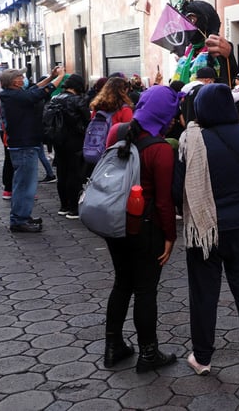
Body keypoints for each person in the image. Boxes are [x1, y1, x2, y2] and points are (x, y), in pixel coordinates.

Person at [174, 83, 239, 375]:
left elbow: (176, 189)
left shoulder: (191, 140)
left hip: (203, 230)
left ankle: (203, 358)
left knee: (203, 294)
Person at [102, 85, 180, 372]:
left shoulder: (117, 132)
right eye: (172, 113)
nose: (174, 118)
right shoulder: (161, 149)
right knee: (146, 290)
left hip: (114, 222)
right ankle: (149, 354)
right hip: (145, 229)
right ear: (163, 114)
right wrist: (170, 236)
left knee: (122, 283)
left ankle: (113, 347)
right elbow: (163, 202)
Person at [0, 66, 65, 233]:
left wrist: (50, 77)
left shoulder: (13, 95)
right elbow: (41, 92)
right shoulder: (15, 97)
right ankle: (19, 220)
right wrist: (60, 77)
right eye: (20, 77)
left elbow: (35, 89)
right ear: (13, 81)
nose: (23, 79)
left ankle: (21, 216)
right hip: (24, 145)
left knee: (22, 184)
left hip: (23, 145)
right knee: (25, 185)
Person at [51, 74, 91, 219]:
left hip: (58, 141)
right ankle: (74, 208)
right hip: (75, 141)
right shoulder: (78, 100)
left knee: (62, 172)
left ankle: (64, 206)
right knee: (74, 174)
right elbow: (87, 119)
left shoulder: (54, 99)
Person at [175, 0, 239, 86]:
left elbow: (228, 77)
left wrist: (228, 55)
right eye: (185, 22)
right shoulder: (189, 52)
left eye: (191, 19)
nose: (187, 26)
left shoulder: (218, 46)